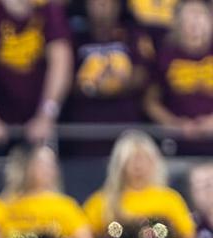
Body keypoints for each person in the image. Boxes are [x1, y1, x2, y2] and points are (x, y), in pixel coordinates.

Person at [0, 0, 72, 145]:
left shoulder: (49, 8)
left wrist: (46, 116)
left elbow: (60, 67)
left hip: (41, 119)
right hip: (1, 118)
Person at [63, 0, 153, 155]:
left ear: (118, 5)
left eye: (108, 2)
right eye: (95, 2)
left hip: (126, 126)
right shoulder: (74, 36)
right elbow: (64, 79)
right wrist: (90, 86)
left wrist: (113, 85)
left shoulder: (133, 33)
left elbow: (143, 74)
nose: (102, 6)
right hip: (85, 130)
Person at [143, 0, 213, 155]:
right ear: (177, 23)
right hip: (178, 143)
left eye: (200, 16)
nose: (195, 23)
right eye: (189, 17)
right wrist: (175, 124)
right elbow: (150, 102)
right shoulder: (164, 56)